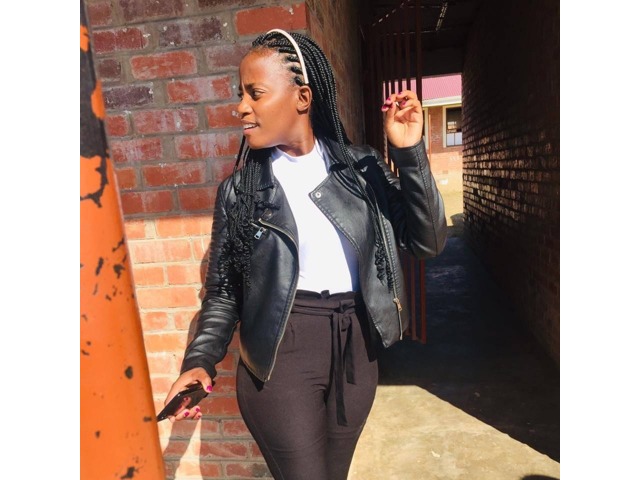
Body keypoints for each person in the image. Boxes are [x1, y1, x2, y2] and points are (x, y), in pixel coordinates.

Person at [163, 29, 447, 480]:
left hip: (356, 347)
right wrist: (199, 361)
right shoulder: (242, 192)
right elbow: (223, 291)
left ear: (302, 97)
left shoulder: (361, 169)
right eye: (240, 95)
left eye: (255, 93)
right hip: (283, 353)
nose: (241, 107)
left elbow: (428, 241)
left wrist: (410, 152)